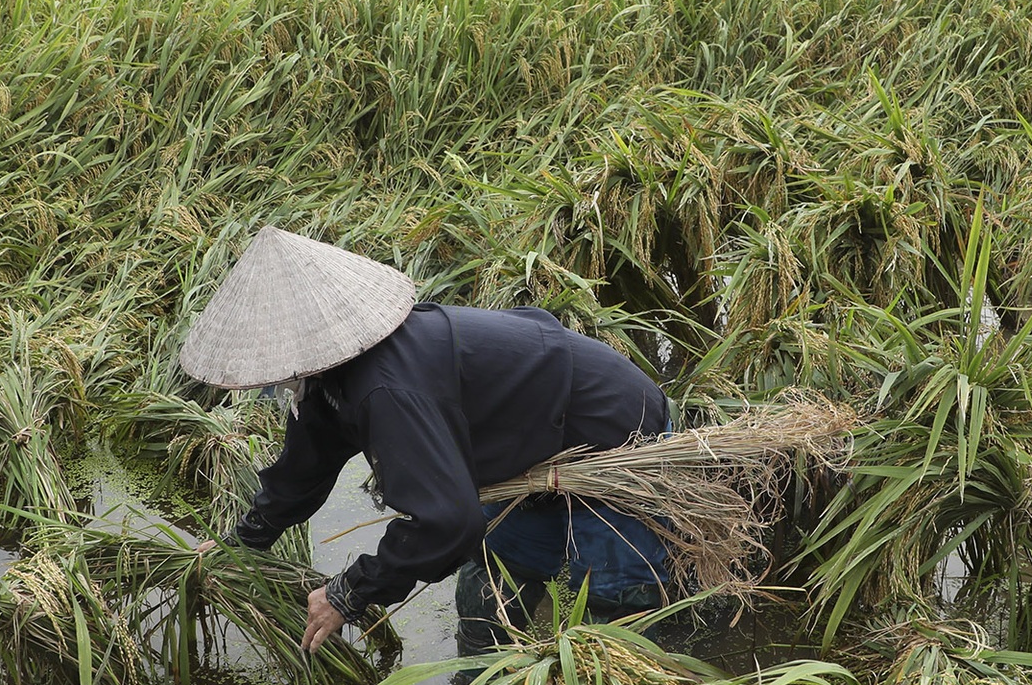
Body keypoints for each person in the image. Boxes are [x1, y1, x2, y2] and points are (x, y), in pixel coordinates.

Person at [178, 225, 671, 656]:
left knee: (616, 614)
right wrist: (241, 542)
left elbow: (447, 522)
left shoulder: (386, 389)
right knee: (487, 607)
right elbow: (303, 469)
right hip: (525, 453)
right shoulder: (328, 381)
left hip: (611, 438)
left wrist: (349, 592)